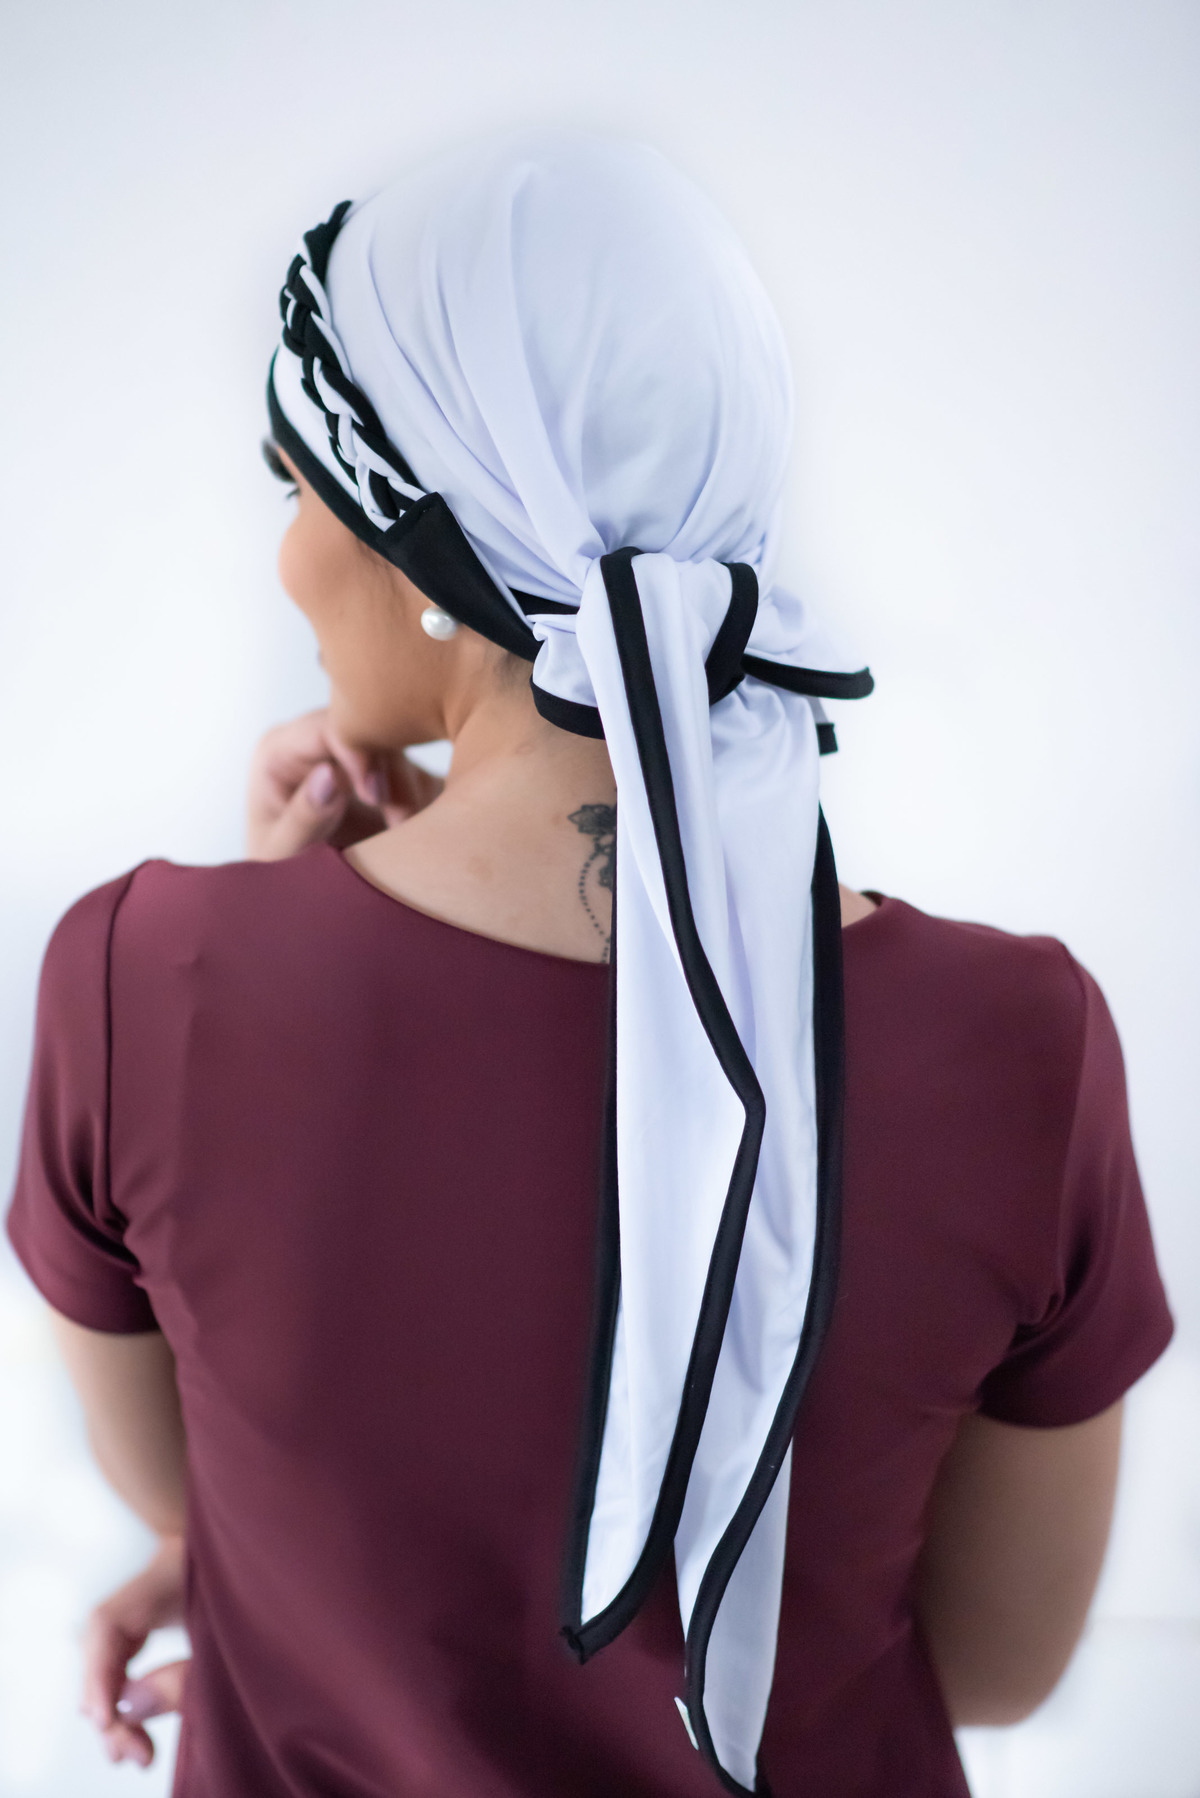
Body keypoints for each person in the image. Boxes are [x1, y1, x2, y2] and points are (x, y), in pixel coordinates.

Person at [5, 133, 1172, 1798]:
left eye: (294, 483)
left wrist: (258, 937)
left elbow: (192, 1483)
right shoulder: (1022, 1043)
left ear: (418, 539)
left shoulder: (141, 979)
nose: (283, 553)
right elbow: (997, 1660)